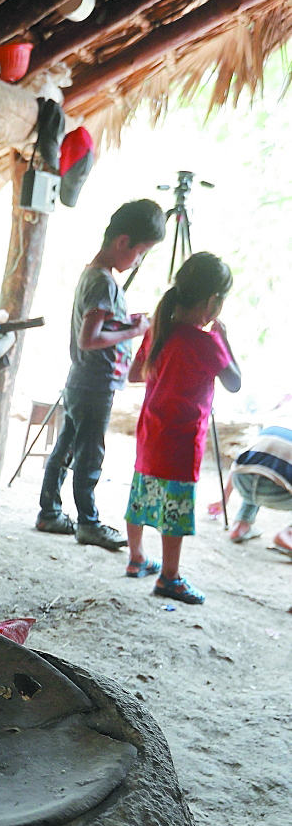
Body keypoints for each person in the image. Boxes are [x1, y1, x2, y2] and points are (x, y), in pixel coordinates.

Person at [38, 199, 165, 550]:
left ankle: (49, 512)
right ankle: (88, 523)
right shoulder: (104, 283)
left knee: (66, 447)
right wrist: (134, 333)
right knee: (89, 455)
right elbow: (90, 338)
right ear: (123, 242)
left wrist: (126, 323)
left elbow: (98, 325)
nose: (138, 261)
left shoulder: (93, 274)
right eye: (140, 253)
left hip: (81, 380)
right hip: (95, 383)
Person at [123, 252, 241, 604]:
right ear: (213, 302)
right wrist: (224, 338)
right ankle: (168, 577)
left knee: (142, 495)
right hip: (182, 442)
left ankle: (136, 558)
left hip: (150, 435)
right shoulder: (206, 343)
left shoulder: (161, 331)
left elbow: (132, 374)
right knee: (174, 509)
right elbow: (234, 382)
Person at [226, 412, 292, 556]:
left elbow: (240, 461)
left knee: (258, 468)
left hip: (242, 481)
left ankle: (240, 525)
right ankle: (288, 534)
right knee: (273, 473)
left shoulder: (276, 420)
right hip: (276, 492)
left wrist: (224, 499)